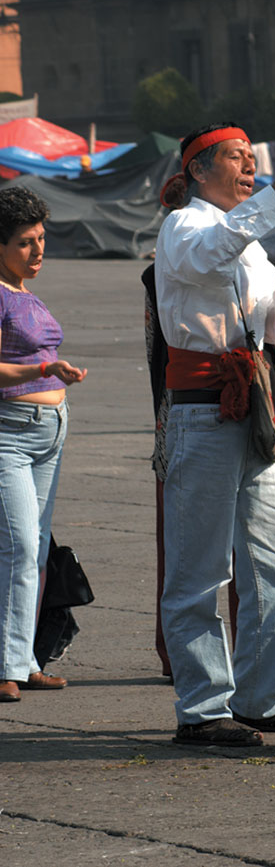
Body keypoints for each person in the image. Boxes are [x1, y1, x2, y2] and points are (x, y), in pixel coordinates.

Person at [154, 122, 275, 746]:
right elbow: (208, 254)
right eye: (236, 158)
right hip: (202, 410)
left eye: (254, 160)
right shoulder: (185, 226)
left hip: (252, 408)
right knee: (199, 571)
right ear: (198, 170)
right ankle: (201, 707)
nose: (250, 168)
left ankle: (258, 697)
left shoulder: (249, 244)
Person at [0, 186, 87, 703]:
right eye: (25, 243)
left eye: (41, 239)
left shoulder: (26, 292)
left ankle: (23, 659)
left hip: (50, 433)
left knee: (31, 553)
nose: (38, 251)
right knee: (17, 547)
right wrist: (43, 367)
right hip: (9, 431)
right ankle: (7, 664)